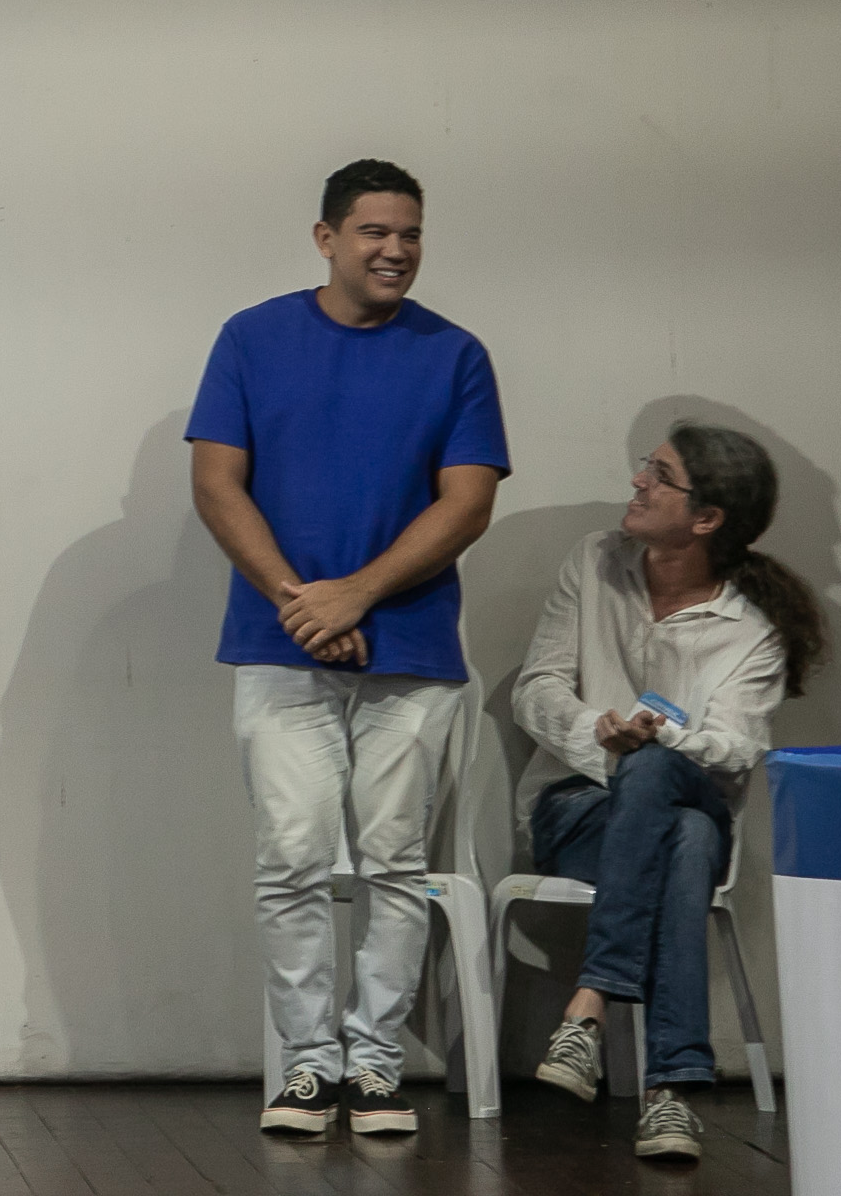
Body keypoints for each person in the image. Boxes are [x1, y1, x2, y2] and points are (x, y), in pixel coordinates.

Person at [189, 158, 508, 1140]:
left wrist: (357, 593)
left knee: (394, 862)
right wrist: (303, 604)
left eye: (410, 234)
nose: (395, 250)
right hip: (279, 646)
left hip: (410, 653)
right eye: (374, 231)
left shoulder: (454, 355)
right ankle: (307, 1065)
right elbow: (216, 483)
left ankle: (374, 1065)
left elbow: (468, 502)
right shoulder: (252, 338)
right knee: (290, 857)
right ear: (326, 238)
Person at [510, 424, 824, 1163]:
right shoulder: (593, 561)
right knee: (685, 839)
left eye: (659, 474)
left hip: (688, 790)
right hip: (577, 809)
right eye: (646, 466)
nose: (638, 481)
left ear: (706, 518)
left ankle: (591, 1003)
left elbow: (737, 748)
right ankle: (672, 1091)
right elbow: (536, 687)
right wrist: (599, 732)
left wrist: (659, 741)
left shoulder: (751, 628)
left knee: (658, 775)